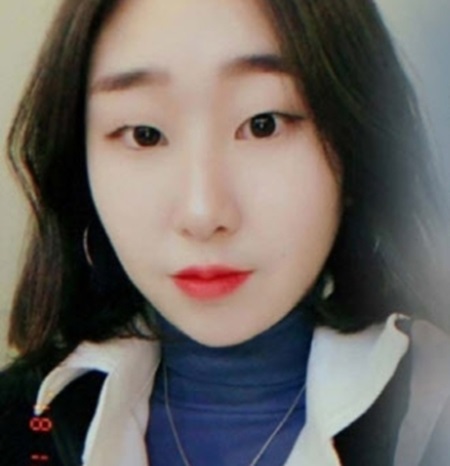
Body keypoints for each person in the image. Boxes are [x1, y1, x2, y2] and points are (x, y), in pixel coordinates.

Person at [1, 0, 450, 465]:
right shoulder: (22, 428)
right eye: (145, 134)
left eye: (263, 125)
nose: (203, 213)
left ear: (357, 143)